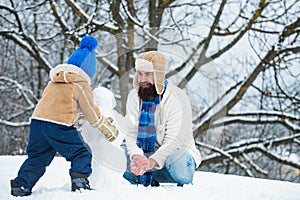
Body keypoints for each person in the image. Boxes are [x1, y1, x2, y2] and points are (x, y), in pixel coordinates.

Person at [10, 36, 119, 196]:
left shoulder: (54, 81)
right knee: (81, 152)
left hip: (37, 123)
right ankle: (80, 182)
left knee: (38, 157)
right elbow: (90, 111)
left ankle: (21, 185)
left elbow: (62, 104)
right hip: (58, 125)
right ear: (88, 70)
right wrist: (104, 126)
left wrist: (76, 117)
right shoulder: (80, 84)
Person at [122, 51, 201, 187]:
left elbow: (174, 141)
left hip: (174, 157)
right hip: (146, 157)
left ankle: (152, 174)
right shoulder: (134, 96)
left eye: (148, 74)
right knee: (118, 154)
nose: (142, 79)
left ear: (159, 75)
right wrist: (136, 157)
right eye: (139, 74)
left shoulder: (178, 98)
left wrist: (151, 162)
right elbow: (131, 133)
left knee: (178, 162)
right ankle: (147, 175)